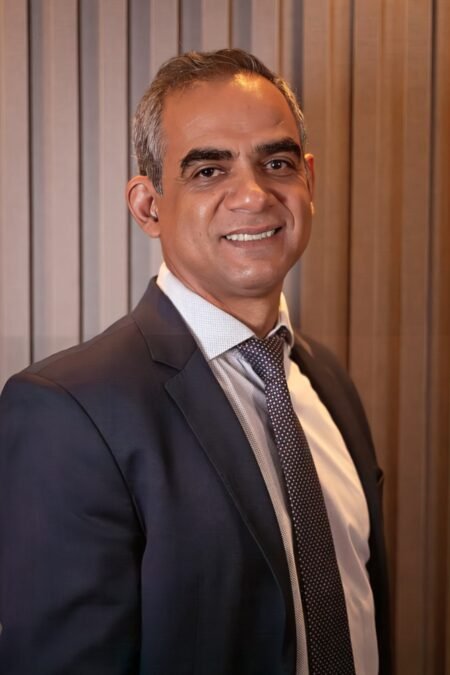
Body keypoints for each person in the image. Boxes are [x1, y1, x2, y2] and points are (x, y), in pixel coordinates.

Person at [0, 49, 390, 675]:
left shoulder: (328, 384)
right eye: (209, 170)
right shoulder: (68, 412)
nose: (254, 195)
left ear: (309, 183)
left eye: (277, 163)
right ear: (148, 207)